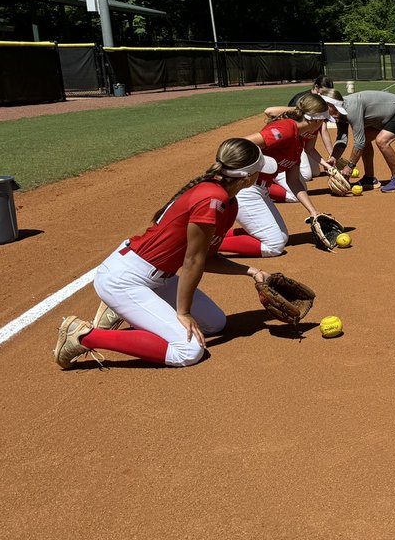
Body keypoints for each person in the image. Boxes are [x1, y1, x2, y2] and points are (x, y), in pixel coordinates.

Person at [52, 138, 280, 369]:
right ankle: (82, 335)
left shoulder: (228, 202)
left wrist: (251, 271)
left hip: (159, 278)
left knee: (215, 324)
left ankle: (127, 309)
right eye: (259, 171)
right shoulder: (213, 198)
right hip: (126, 278)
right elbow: (193, 260)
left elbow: (207, 259)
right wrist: (183, 312)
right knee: (188, 351)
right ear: (247, 177)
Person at [219, 94, 338, 257]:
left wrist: (313, 212)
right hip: (245, 189)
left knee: (282, 237)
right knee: (274, 245)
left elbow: (294, 181)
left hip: (261, 191)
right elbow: (240, 143)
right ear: (315, 120)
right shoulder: (286, 129)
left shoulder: (298, 140)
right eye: (324, 120)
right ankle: (204, 245)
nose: (323, 125)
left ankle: (212, 237)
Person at [260, 75, 341, 202]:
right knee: (303, 180)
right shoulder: (303, 108)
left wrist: (329, 163)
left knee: (313, 174)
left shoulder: (315, 123)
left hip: (295, 148)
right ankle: (262, 188)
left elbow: (313, 144)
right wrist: (303, 111)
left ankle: (267, 183)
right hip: (279, 150)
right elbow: (269, 111)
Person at [332, 88, 395, 194]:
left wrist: (350, 166)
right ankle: (370, 178)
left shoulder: (351, 109)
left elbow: (359, 143)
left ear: (333, 105)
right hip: (386, 117)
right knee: (366, 138)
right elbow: (342, 138)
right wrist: (333, 158)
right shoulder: (338, 113)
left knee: (382, 141)